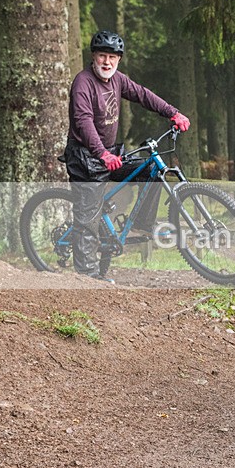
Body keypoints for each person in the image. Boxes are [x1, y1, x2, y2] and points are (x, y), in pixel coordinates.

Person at [64, 30, 191, 281]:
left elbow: (143, 95)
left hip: (108, 154)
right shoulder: (83, 83)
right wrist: (101, 153)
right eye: (102, 56)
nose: (107, 62)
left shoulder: (118, 79)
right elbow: (83, 121)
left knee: (151, 170)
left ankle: (142, 225)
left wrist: (173, 113)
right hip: (85, 158)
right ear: (93, 56)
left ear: (119, 60)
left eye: (112, 57)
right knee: (88, 218)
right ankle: (88, 276)